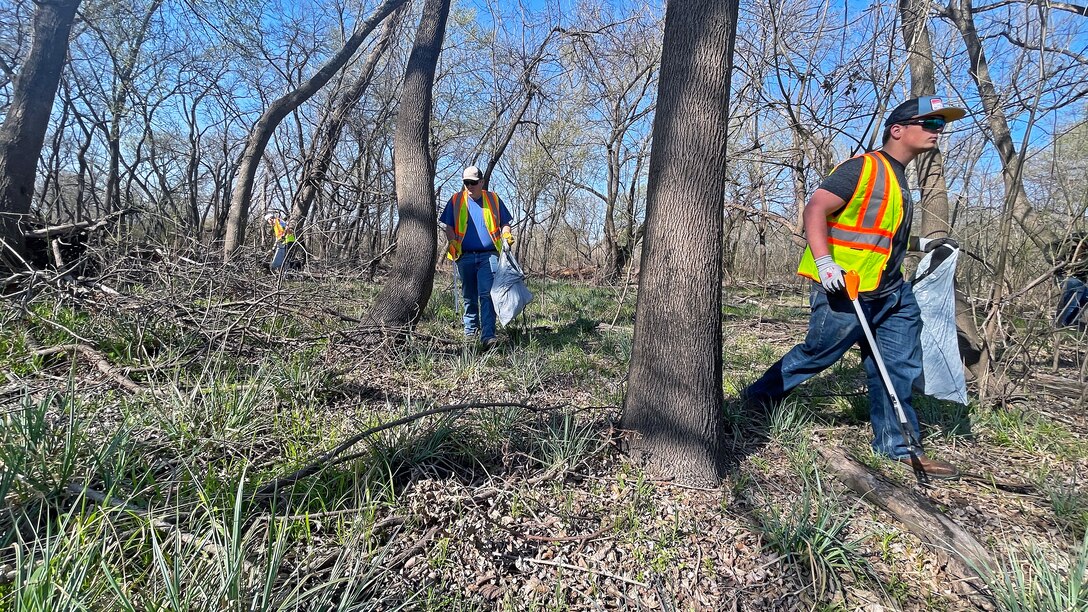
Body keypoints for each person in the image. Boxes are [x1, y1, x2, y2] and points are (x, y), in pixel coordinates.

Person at [742, 96, 966, 479]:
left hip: (892, 292)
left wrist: (923, 245)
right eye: (930, 124)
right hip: (846, 289)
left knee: (897, 366)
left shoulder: (900, 180)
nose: (937, 132)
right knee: (818, 353)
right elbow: (815, 209)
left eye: (940, 125)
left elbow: (881, 237)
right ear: (898, 130)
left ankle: (897, 447)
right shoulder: (863, 168)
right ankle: (757, 397)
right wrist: (826, 263)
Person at [439, 166, 514, 348]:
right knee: (469, 296)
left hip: (489, 256)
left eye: (473, 182)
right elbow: (449, 226)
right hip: (464, 255)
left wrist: (506, 235)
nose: (470, 186)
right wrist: (452, 242)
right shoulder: (456, 200)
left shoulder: (493, 199)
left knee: (487, 294)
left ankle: (488, 336)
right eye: (466, 183)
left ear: (481, 182)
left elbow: (505, 223)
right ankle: (470, 332)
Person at [1048, 233, 1088, 330]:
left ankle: (1069, 322)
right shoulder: (1067, 251)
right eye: (1081, 246)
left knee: (1085, 293)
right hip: (1063, 277)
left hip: (1080, 281)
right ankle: (1059, 323)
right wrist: (1055, 260)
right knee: (1076, 286)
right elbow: (1051, 246)